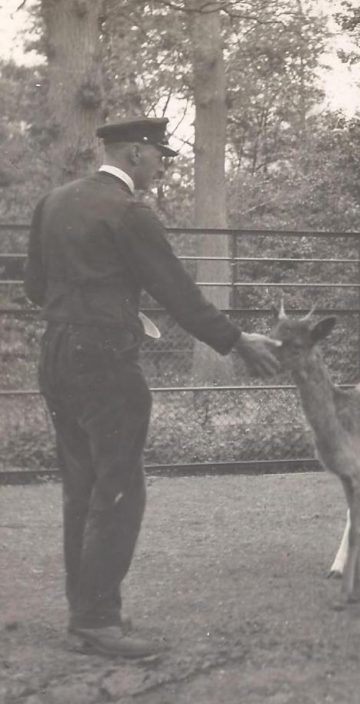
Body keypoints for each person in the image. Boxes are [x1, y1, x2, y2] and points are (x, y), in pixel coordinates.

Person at [23, 117, 281, 658]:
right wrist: (236, 341)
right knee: (119, 490)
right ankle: (97, 620)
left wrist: (96, 309)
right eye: (161, 154)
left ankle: (87, 613)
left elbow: (33, 287)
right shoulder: (130, 212)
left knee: (81, 488)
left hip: (56, 356)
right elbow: (178, 293)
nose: (164, 164)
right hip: (105, 362)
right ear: (135, 153)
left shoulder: (53, 203)